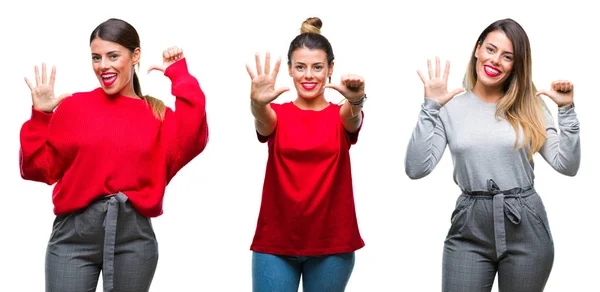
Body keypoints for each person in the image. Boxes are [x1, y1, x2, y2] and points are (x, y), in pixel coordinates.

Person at [19, 18, 208, 292]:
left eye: (113, 56)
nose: (103, 66)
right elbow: (36, 169)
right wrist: (41, 116)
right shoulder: (75, 107)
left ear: (136, 56)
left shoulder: (156, 115)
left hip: (133, 238)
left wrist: (179, 75)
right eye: (96, 57)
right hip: (73, 237)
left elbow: (194, 136)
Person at [405, 18, 580, 291]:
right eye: (490, 49)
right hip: (469, 229)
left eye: (507, 56)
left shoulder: (530, 106)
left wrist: (567, 111)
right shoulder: (450, 108)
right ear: (477, 49)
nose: (496, 60)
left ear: (516, 65)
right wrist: (430, 106)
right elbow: (416, 168)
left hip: (526, 226)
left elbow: (567, 165)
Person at [245, 17, 367, 292]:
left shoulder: (340, 115)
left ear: (330, 69)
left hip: (332, 245)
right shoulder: (277, 115)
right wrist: (256, 103)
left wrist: (356, 99)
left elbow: (354, 118)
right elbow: (262, 120)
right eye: (300, 67)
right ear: (289, 69)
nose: (308, 75)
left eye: (317, 67)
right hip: (275, 244)